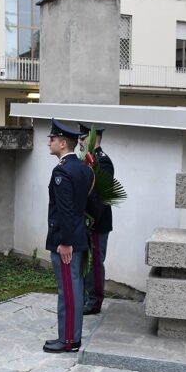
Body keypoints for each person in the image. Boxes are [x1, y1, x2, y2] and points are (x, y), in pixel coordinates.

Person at [43, 119, 93, 353]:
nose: (48, 143)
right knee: (74, 287)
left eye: (51, 139)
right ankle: (70, 337)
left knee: (69, 291)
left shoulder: (62, 170)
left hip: (67, 242)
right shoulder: (84, 168)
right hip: (78, 237)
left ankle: (70, 341)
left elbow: (65, 210)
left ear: (63, 143)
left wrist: (64, 242)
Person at [79, 123, 115, 316]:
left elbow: (101, 195)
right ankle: (85, 297)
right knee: (85, 261)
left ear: (93, 139)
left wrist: (91, 220)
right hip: (84, 222)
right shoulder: (85, 160)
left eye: (82, 138)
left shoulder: (103, 161)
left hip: (97, 223)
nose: (79, 142)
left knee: (95, 263)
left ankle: (94, 301)